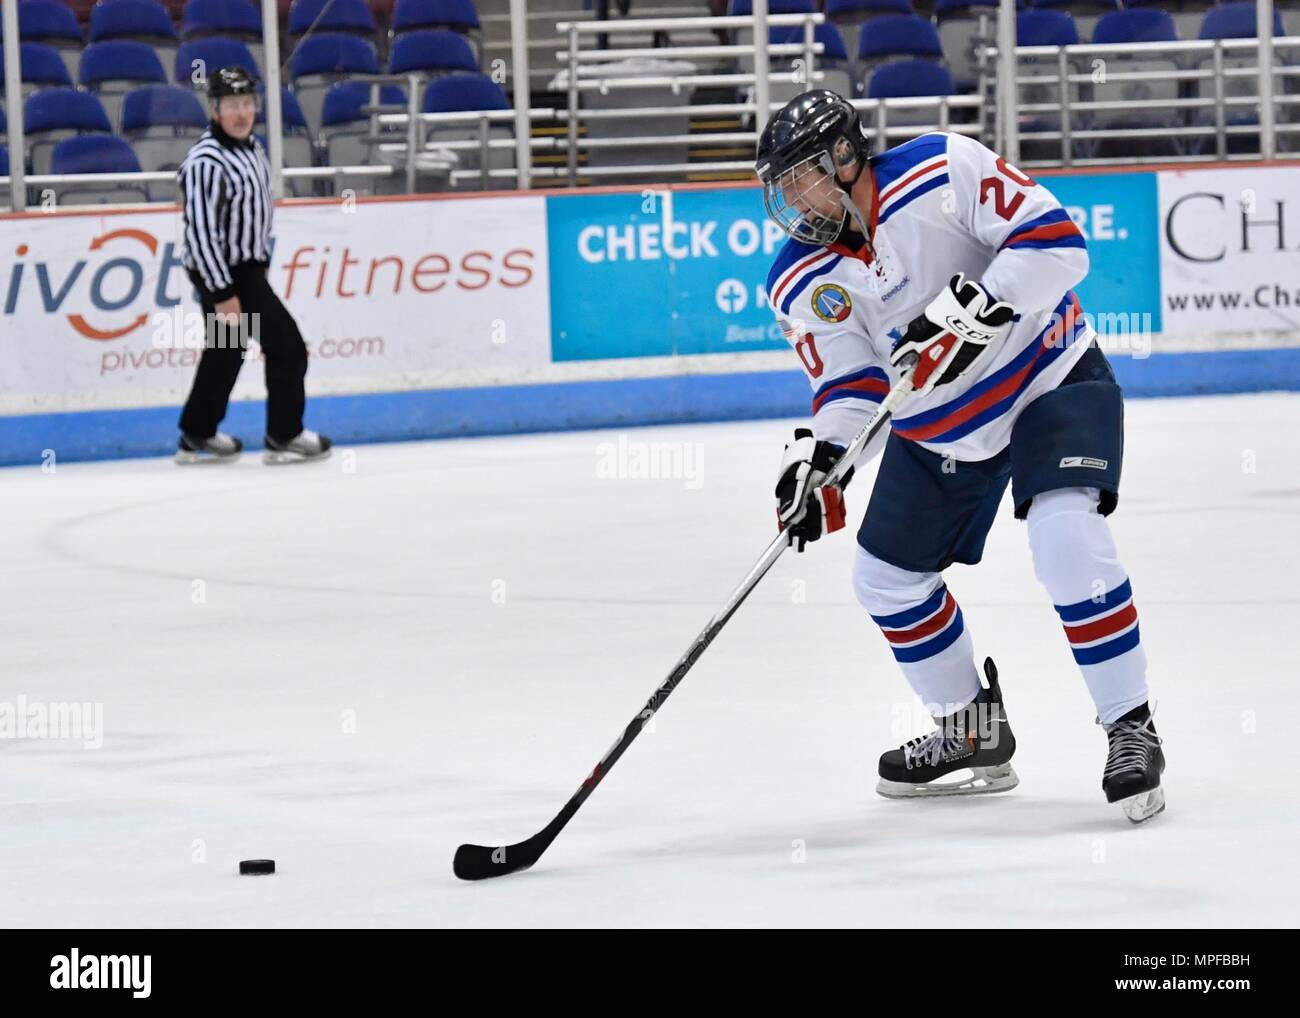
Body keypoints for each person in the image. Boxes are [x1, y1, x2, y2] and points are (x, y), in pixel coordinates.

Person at [756, 90, 1165, 823]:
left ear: (847, 157)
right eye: (782, 188)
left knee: (1064, 534)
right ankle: (973, 732)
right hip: (940, 432)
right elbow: (853, 385)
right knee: (884, 579)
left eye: (805, 176)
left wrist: (978, 308)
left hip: (1048, 379)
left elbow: (1059, 244)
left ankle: (1130, 725)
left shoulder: (943, 170)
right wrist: (821, 459)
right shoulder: (797, 281)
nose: (794, 199)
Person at [175, 66, 331, 465]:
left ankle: (197, 433)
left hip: (245, 269)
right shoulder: (206, 161)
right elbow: (202, 233)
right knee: (288, 347)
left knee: (227, 350)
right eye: (231, 105)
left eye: (247, 103)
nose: (241, 113)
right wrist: (223, 293)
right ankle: (284, 433)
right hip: (227, 272)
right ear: (214, 111)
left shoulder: (252, 147)